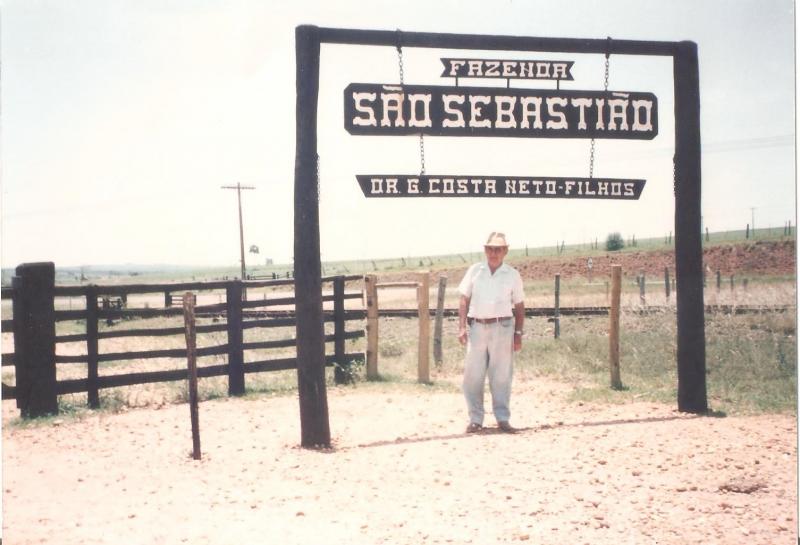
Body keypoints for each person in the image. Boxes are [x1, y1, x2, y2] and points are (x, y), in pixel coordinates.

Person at [457, 232, 525, 434]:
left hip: (503, 328)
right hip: (477, 327)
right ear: (485, 250)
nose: (493, 253)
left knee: (502, 375)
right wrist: (461, 327)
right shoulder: (475, 271)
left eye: (498, 249)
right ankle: (475, 419)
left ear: (505, 251)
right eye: (490, 249)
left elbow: (520, 307)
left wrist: (518, 334)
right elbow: (463, 299)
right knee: (472, 375)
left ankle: (502, 419)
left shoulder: (512, 275)